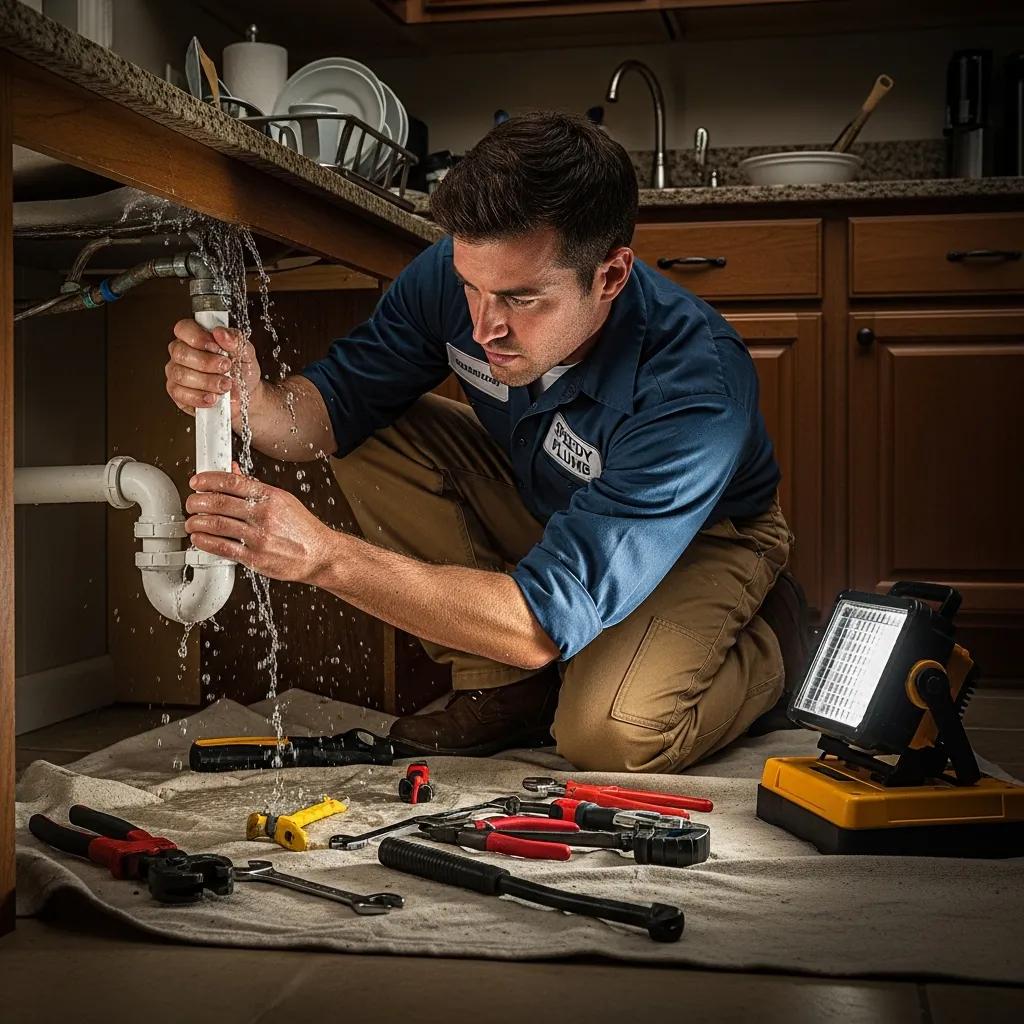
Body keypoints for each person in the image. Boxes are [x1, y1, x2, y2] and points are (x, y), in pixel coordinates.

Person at [165, 111, 808, 774]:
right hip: (550, 492)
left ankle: (776, 645)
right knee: (369, 432)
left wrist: (324, 557)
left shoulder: (696, 386)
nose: (484, 327)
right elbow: (332, 409)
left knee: (609, 735)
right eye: (472, 288)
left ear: (610, 278)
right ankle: (505, 690)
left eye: (522, 299)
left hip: (704, 539)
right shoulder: (453, 273)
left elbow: (535, 627)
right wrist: (252, 399)